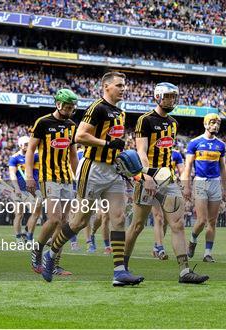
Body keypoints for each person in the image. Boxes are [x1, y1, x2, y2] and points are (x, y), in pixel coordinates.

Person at [40, 72, 144, 286]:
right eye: (119, 85)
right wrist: (107, 144)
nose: (123, 88)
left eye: (124, 85)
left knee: (118, 217)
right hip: (93, 169)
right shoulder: (97, 108)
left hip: (113, 171)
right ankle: (51, 254)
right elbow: (79, 136)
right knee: (79, 222)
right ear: (106, 87)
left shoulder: (120, 112)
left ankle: (119, 272)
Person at [124, 82, 209, 284]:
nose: (172, 100)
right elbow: (141, 151)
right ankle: (121, 266)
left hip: (168, 179)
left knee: (177, 224)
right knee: (137, 225)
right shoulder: (145, 120)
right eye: (168, 96)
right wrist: (148, 176)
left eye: (174, 96)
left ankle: (184, 271)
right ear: (158, 97)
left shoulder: (172, 123)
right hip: (148, 178)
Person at [26, 88, 78, 277]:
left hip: (66, 179)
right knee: (54, 218)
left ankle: (54, 263)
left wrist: (77, 177)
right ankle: (37, 250)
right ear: (58, 104)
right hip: (48, 177)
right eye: (66, 105)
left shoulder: (72, 125)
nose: (69, 109)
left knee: (64, 224)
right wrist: (29, 175)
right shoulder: (43, 122)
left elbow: (73, 154)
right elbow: (31, 150)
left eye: (72, 106)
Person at [182, 113, 226, 262]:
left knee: (212, 221)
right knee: (201, 220)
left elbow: (223, 168)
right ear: (206, 124)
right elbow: (188, 166)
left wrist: (224, 188)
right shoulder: (194, 143)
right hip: (200, 182)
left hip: (215, 183)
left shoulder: (221, 145)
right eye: (213, 122)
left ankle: (207, 253)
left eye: (218, 123)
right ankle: (193, 240)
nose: (216, 126)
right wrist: (186, 186)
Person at [151, 148, 184, 260]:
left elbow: (182, 170)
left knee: (164, 221)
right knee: (158, 217)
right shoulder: (153, 151)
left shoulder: (176, 154)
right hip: (154, 185)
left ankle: (157, 245)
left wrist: (184, 182)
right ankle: (160, 248)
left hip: (169, 187)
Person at [8, 136, 40, 243]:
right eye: (25, 144)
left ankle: (28, 232)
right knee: (19, 213)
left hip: (32, 190)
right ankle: (18, 237)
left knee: (35, 212)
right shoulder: (15, 158)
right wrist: (16, 188)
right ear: (20, 145)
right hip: (19, 190)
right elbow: (12, 174)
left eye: (28, 143)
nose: (27, 145)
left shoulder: (35, 155)